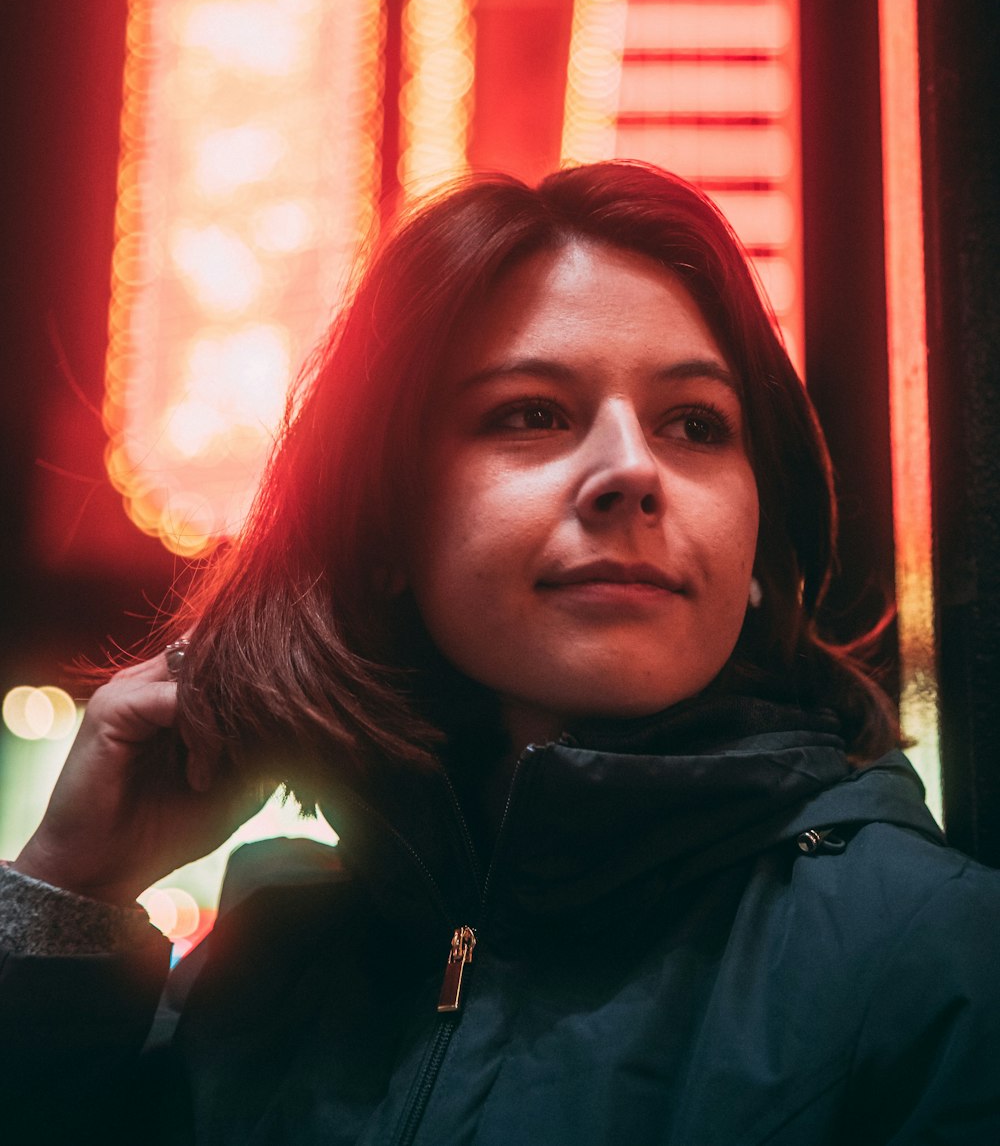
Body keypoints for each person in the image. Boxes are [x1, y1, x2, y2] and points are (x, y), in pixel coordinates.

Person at [1, 161, 999, 1144]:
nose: (630, 471)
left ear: (752, 537)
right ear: (387, 523)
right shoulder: (261, 968)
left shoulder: (933, 953)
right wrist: (70, 894)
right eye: (532, 413)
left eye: (695, 424)